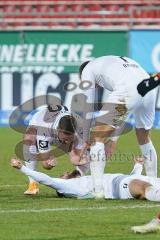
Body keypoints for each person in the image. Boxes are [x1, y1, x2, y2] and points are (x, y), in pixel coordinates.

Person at [78, 55, 157, 198]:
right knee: (144, 138)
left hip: (129, 88)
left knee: (97, 138)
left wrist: (85, 138)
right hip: (149, 88)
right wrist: (113, 140)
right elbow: (122, 111)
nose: (96, 87)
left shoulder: (87, 70)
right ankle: (155, 183)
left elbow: (88, 106)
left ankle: (97, 191)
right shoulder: (109, 63)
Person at [11, 156, 160, 202]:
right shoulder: (69, 186)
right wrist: (22, 168)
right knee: (142, 187)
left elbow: (133, 176)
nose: (66, 171)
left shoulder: (84, 178)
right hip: (120, 186)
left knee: (148, 184)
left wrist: (137, 166)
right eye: (63, 175)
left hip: (129, 179)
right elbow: (47, 180)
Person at [21, 104, 89, 195]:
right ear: (58, 130)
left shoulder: (81, 128)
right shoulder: (44, 130)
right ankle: (33, 183)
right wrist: (49, 162)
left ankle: (76, 178)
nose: (67, 141)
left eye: (70, 138)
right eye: (65, 139)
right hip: (39, 126)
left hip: (60, 125)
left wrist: (77, 161)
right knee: (29, 139)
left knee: (83, 155)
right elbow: (45, 165)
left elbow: (85, 155)